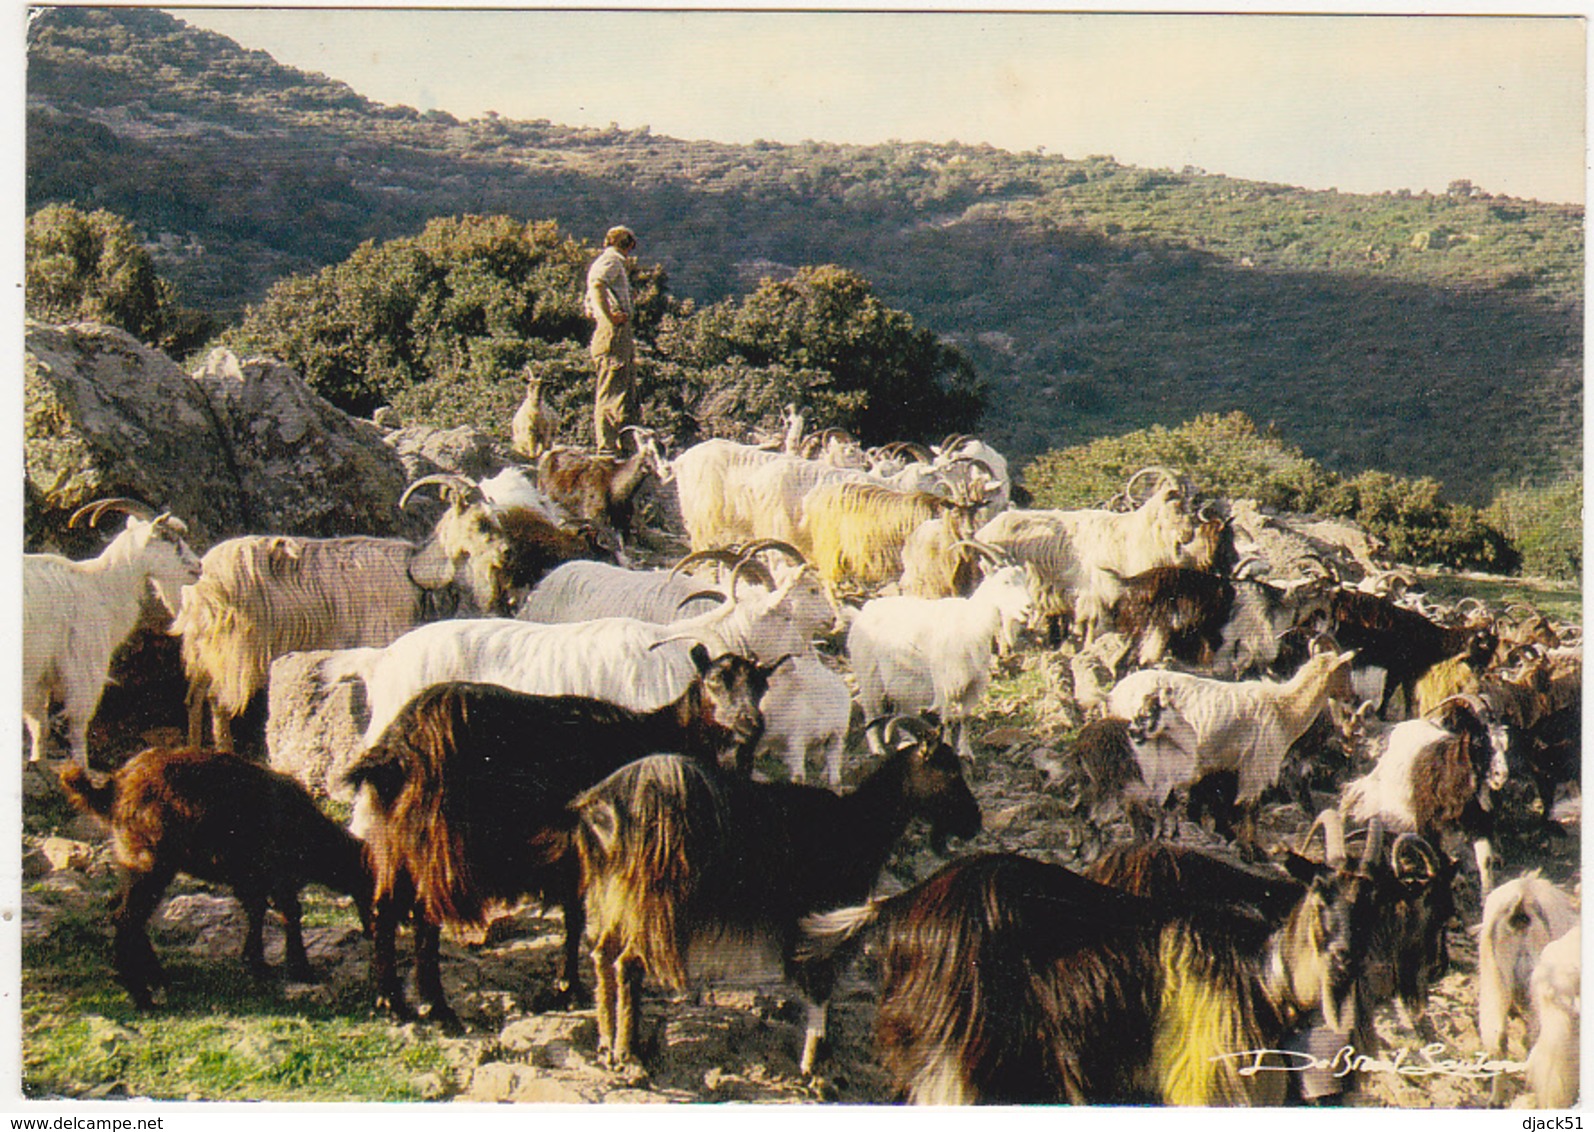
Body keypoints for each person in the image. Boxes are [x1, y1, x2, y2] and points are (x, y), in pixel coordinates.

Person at [585, 225, 639, 454]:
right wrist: (609, 317)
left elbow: (590, 300)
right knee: (611, 390)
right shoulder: (612, 261)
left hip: (614, 331)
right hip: (613, 333)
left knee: (624, 389)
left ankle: (625, 445)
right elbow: (597, 285)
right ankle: (607, 448)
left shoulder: (604, 261)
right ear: (627, 244)